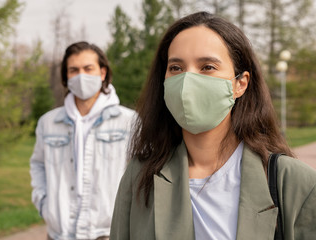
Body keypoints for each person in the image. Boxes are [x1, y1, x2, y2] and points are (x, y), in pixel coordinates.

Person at [110, 12, 316, 240]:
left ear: (240, 83)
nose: (188, 81)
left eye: (207, 67)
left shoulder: (294, 182)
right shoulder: (140, 177)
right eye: (176, 68)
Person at [30, 41, 135, 240]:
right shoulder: (48, 122)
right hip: (59, 234)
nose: (81, 76)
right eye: (74, 70)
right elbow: (38, 164)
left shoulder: (129, 121)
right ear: (66, 76)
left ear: (102, 73)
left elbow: (143, 174)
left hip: (109, 233)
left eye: (88, 68)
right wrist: (44, 203)